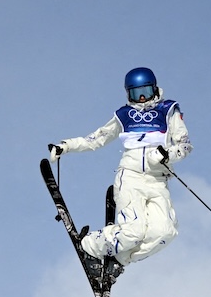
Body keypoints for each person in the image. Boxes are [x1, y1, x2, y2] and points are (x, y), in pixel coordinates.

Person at [48, 67, 192, 276]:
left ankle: (117, 260)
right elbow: (97, 138)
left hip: (157, 181)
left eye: (145, 91)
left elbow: (185, 145)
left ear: (155, 89)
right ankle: (89, 245)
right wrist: (66, 146)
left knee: (165, 232)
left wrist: (168, 154)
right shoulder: (124, 115)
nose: (141, 98)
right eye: (136, 93)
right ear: (128, 93)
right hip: (131, 177)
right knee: (133, 231)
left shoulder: (168, 110)